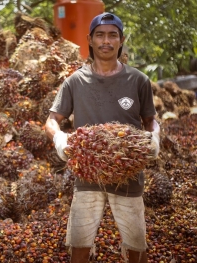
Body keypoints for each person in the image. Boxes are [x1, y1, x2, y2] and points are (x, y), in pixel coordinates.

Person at [45, 12, 160, 263]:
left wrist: (155, 136)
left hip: (128, 175)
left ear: (121, 40)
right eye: (100, 35)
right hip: (87, 176)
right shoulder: (75, 81)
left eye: (112, 35)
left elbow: (150, 119)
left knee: (136, 244)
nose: (106, 41)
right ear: (90, 39)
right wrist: (60, 139)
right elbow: (52, 120)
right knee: (79, 243)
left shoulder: (138, 80)